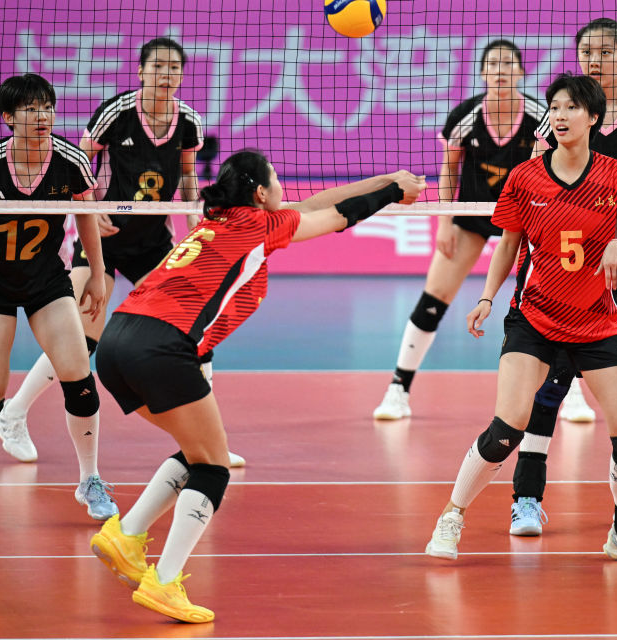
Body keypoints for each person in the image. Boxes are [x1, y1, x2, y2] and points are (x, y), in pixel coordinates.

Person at [89, 150, 425, 623]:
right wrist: (391, 193)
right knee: (214, 466)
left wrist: (385, 177)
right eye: (276, 180)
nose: (284, 188)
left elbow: (313, 206)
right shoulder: (258, 226)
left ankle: (126, 537)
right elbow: (336, 216)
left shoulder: (222, 221)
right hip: (161, 346)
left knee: (197, 449)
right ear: (261, 193)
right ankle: (164, 581)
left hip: (117, 342)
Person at [424, 73, 617, 565]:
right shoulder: (525, 177)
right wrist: (487, 297)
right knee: (507, 427)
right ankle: (451, 517)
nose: (559, 116)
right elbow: (508, 246)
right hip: (534, 319)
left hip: (598, 322)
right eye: (555, 107)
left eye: (571, 108)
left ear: (594, 118)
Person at [0, 38, 245, 469]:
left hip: (153, 242)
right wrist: (93, 212)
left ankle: (208, 441)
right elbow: (81, 163)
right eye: (158, 67)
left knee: (191, 332)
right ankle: (16, 410)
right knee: (83, 338)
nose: (167, 75)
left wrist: (196, 227)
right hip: (106, 239)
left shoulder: (189, 121)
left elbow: (188, 180)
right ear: (141, 71)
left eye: (175, 68)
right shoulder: (117, 113)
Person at [506, 17, 617, 536]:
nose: (594, 59)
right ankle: (526, 497)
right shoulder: (561, 115)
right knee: (550, 380)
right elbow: (532, 186)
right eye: (587, 51)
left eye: (606, 52)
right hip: (565, 266)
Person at [372, 39, 546, 420]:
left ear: (521, 72)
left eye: (508, 64)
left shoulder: (540, 117)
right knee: (434, 297)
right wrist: (445, 221)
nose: (500, 71)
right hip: (471, 214)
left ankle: (570, 393)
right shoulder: (465, 116)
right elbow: (449, 170)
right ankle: (398, 388)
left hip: (526, 218)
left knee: (553, 304)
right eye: (493, 64)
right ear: (482, 73)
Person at [0, 73, 115, 519]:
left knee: (79, 375)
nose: (42, 116)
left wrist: (98, 273)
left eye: (47, 107)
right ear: (9, 118)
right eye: (30, 109)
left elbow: (86, 216)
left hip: (46, 280)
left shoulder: (70, 160)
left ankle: (90, 481)